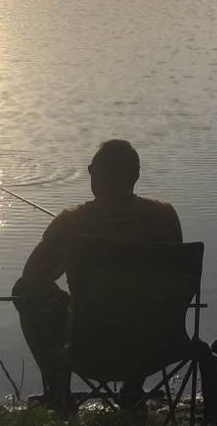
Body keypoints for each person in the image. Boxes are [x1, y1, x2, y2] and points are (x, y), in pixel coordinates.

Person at [10, 139, 182, 403]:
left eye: (91, 169)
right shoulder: (165, 216)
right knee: (142, 302)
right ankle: (133, 389)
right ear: (135, 175)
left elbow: (32, 276)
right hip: (155, 347)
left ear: (95, 176)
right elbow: (175, 281)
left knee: (24, 291)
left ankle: (58, 392)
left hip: (89, 346)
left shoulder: (72, 221)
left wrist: (65, 256)